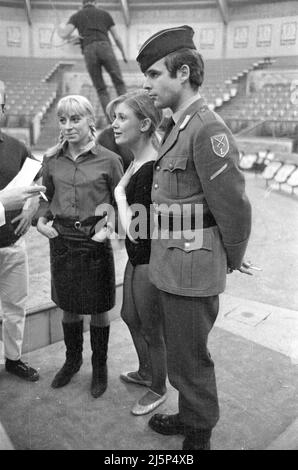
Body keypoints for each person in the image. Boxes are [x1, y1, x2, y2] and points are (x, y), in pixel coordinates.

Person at [136, 26, 252, 450]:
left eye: (153, 75)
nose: (146, 85)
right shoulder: (178, 124)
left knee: (191, 359)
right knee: (182, 352)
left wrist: (231, 257)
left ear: (182, 73)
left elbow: (233, 206)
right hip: (172, 263)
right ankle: (189, 414)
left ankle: (198, 434)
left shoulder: (207, 129)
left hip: (193, 266)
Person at [36, 95, 123, 398]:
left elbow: (120, 205)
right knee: (68, 306)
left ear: (90, 120)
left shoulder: (109, 160)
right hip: (61, 241)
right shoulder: (52, 159)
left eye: (75, 119)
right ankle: (72, 361)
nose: (69, 126)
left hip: (94, 240)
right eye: (63, 120)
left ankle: (99, 367)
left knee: (99, 309)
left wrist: (110, 227)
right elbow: (44, 198)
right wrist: (40, 220)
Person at [108, 90, 167, 415]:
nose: (114, 124)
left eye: (121, 117)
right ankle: (146, 372)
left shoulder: (150, 168)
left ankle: (158, 387)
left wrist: (118, 195)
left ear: (144, 123)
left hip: (148, 257)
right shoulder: (137, 162)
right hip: (137, 255)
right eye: (114, 117)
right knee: (130, 316)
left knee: (150, 326)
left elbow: (136, 227)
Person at [0, 80, 42, 382]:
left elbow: (37, 179)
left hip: (13, 245)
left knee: (15, 306)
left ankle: (13, 359)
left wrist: (32, 204)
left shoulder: (15, 147)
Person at [58, 0, 127, 121]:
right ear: (95, 3)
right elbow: (116, 37)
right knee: (119, 82)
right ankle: (128, 113)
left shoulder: (77, 15)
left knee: (101, 89)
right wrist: (123, 53)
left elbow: (64, 34)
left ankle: (111, 120)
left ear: (83, 4)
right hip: (105, 47)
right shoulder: (104, 14)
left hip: (88, 50)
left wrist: (60, 28)